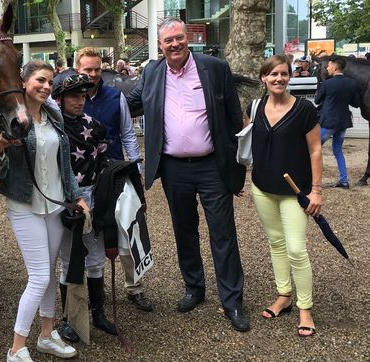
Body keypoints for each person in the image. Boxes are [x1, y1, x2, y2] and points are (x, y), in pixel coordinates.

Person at [126, 17, 250, 332]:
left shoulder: (214, 68)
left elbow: (235, 117)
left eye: (179, 38)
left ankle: (232, 300)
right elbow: (129, 104)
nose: (175, 44)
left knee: (223, 233)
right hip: (173, 167)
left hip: (212, 165)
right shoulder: (152, 72)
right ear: (161, 45)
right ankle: (194, 287)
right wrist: (89, 94)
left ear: (187, 38)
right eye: (168, 40)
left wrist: (239, 166)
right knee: (184, 230)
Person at [0, 61, 87, 362]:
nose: (46, 86)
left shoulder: (54, 114)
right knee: (40, 275)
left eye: (50, 81)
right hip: (25, 206)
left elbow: (65, 163)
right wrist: (0, 149)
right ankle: (17, 349)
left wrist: (75, 196)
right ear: (24, 81)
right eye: (40, 81)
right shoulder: (8, 117)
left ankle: (46, 336)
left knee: (50, 270)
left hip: (56, 205)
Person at [247, 55, 322, 337]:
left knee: (296, 249)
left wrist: (317, 190)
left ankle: (305, 308)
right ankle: (284, 295)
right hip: (262, 188)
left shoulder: (304, 110)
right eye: (272, 74)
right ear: (263, 78)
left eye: (283, 74)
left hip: (295, 192)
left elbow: (315, 150)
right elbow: (245, 141)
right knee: (276, 244)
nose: (278, 79)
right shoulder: (253, 107)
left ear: (289, 77)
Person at [75, 47, 153, 312]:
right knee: (90, 232)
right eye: (88, 70)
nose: (93, 74)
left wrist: (137, 171)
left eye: (97, 69)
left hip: (117, 171)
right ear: (78, 70)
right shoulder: (68, 98)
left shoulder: (115, 96)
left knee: (127, 227)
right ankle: (95, 287)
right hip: (84, 176)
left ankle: (135, 287)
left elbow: (128, 134)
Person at [51, 71, 116, 342]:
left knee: (96, 256)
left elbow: (103, 161)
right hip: (64, 200)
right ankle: (70, 317)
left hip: (92, 196)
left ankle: (98, 312)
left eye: (82, 95)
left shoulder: (96, 126)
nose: (80, 101)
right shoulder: (52, 130)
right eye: (73, 96)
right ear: (60, 99)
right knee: (70, 258)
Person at [314, 55, 360, 189]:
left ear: (334, 67)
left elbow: (317, 100)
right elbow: (356, 103)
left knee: (315, 149)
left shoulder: (327, 84)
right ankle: (344, 180)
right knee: (338, 150)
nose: (327, 68)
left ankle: (313, 180)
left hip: (328, 122)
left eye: (328, 66)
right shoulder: (351, 83)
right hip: (343, 121)